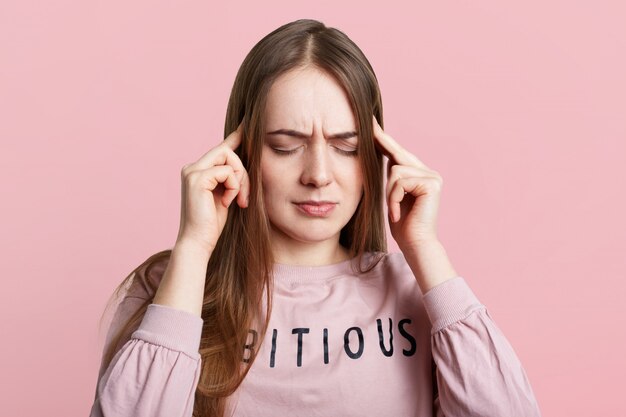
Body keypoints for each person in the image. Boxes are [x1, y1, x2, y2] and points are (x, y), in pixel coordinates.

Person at [89, 18, 542, 417]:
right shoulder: (167, 285)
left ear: (374, 156)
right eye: (286, 145)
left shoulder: (413, 291)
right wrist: (193, 250)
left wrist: (426, 249)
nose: (319, 175)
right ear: (240, 151)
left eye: (346, 147)